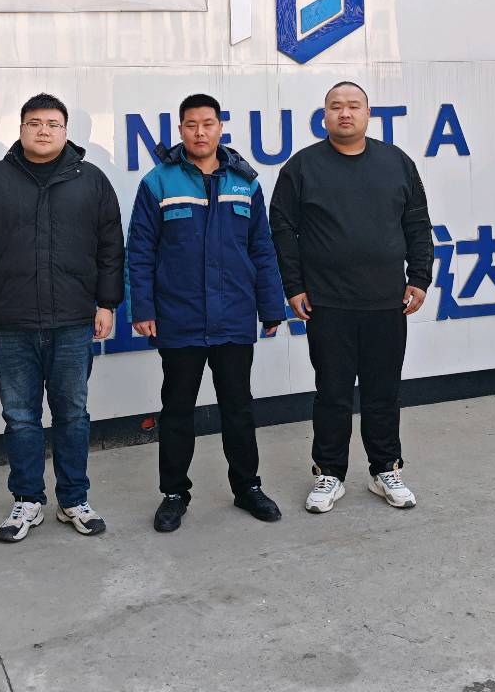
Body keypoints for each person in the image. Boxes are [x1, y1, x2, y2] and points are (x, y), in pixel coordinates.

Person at [0, 93, 125, 543]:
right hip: (12, 323)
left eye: (52, 124)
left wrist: (107, 304)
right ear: (21, 129)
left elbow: (111, 248)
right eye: (34, 123)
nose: (43, 131)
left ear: (66, 131)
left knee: (73, 415)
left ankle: (73, 500)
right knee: (20, 417)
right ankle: (27, 500)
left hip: (72, 321)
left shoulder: (91, 181)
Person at [269, 81, 433, 514]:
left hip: (386, 301)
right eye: (336, 106)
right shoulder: (302, 167)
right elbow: (282, 229)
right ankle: (329, 473)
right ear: (324, 116)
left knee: (383, 392)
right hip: (328, 303)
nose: (345, 113)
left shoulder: (396, 163)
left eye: (354, 105)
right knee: (332, 393)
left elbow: (418, 225)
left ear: (368, 113)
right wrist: (293, 286)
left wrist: (419, 278)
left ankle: (385, 469)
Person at [127, 93, 288, 532]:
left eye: (208, 123)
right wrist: (143, 307)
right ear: (180, 129)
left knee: (238, 408)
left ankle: (247, 487)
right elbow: (139, 251)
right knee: (177, 409)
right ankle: (173, 494)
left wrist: (271, 305)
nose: (200, 132)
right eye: (191, 124)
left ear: (220, 127)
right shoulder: (158, 182)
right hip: (179, 317)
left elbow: (261, 248)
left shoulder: (245, 182)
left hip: (234, 316)